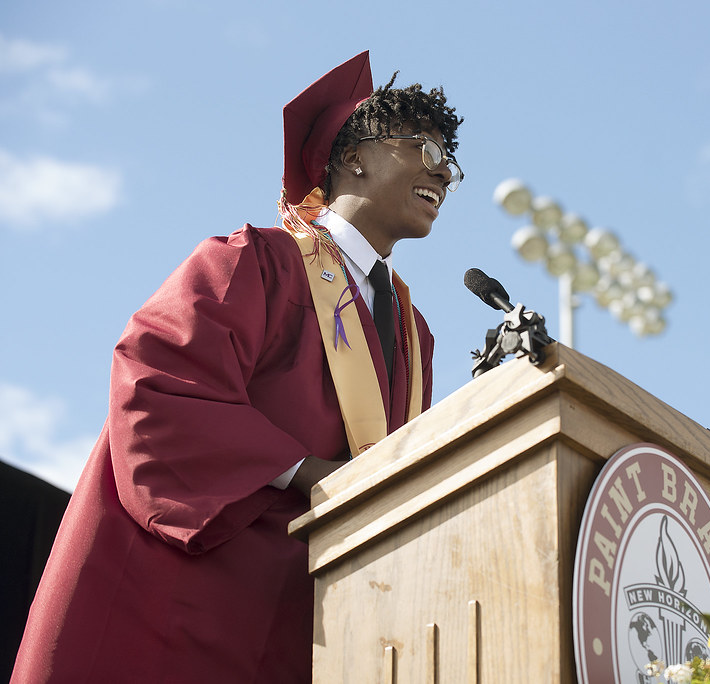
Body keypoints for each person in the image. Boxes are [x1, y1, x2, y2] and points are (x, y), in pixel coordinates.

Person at [11, 51, 464, 683]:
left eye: (451, 160)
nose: (443, 172)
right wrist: (315, 477)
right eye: (424, 147)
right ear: (354, 153)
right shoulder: (259, 263)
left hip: (320, 611)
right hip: (197, 602)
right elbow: (158, 383)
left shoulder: (414, 334)